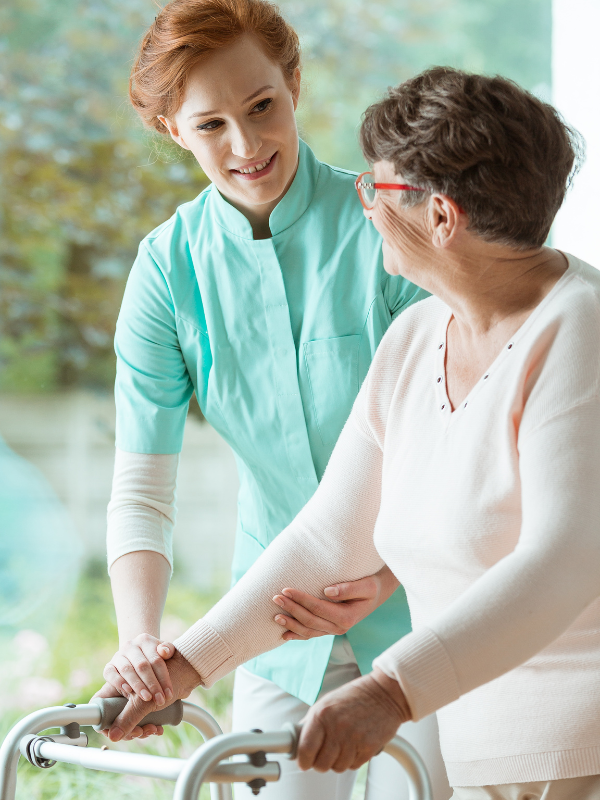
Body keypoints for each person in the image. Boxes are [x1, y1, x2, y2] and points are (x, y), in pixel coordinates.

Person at [98, 67, 600, 800]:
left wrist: (392, 691)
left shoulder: (579, 333)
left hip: (578, 754)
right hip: (482, 762)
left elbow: (562, 562)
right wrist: (181, 668)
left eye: (379, 189)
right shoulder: (420, 335)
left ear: (441, 218)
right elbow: (328, 536)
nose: (363, 205)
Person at [99, 1, 449, 798]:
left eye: (262, 106)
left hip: (424, 599)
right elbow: (143, 490)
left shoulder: (390, 223)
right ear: (169, 129)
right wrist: (143, 643)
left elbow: (451, 439)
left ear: (293, 83)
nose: (247, 145)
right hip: (276, 618)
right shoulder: (165, 272)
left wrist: (390, 572)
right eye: (211, 124)